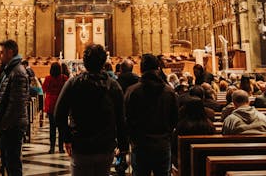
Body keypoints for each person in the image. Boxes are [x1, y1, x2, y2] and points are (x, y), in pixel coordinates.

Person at [55, 43, 128, 176]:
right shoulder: (113, 86)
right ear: (103, 62)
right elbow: (121, 118)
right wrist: (123, 146)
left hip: (81, 145)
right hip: (105, 146)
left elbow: (59, 113)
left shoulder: (73, 83)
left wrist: (66, 138)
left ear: (84, 62)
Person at [125, 52, 179, 176]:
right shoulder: (169, 92)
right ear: (158, 69)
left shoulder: (132, 91)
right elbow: (175, 119)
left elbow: (126, 118)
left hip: (140, 145)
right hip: (162, 144)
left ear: (141, 69)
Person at [0, 38, 29, 176]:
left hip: (13, 126)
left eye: (1, 52)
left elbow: (16, 104)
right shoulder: (10, 70)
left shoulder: (17, 72)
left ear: (10, 52)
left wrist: (4, 124)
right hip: (10, 125)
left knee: (13, 164)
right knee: (8, 162)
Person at [172, 97, 215, 167]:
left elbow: (174, 146)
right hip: (205, 160)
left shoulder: (182, 125)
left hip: (185, 161)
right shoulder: (209, 125)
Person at [42, 62, 68, 154]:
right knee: (61, 128)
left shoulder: (48, 78)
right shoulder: (64, 78)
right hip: (61, 104)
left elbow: (44, 89)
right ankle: (61, 148)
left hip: (51, 104)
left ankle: (52, 148)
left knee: (52, 128)